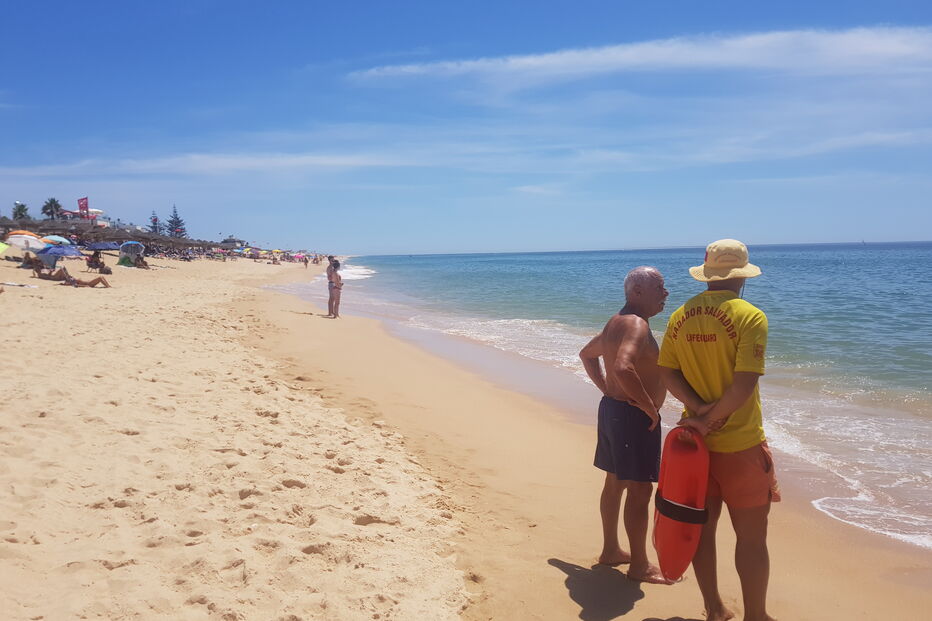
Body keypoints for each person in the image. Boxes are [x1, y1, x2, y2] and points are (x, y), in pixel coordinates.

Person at [657, 239, 779, 621]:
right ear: (742, 276)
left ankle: (714, 609)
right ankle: (755, 616)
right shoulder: (750, 316)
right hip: (740, 444)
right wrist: (712, 418)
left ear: (707, 273)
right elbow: (743, 385)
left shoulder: (680, 315)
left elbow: (667, 371)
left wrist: (697, 414)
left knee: (701, 532)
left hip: (694, 448)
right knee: (752, 540)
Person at [578, 266, 670, 584]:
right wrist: (649, 407)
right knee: (640, 490)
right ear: (637, 292)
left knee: (614, 481)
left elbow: (587, 354)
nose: (666, 293)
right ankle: (640, 565)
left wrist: (607, 391)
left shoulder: (616, 322)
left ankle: (611, 551)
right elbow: (623, 365)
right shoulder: (636, 324)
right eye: (660, 286)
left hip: (613, 411)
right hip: (633, 418)